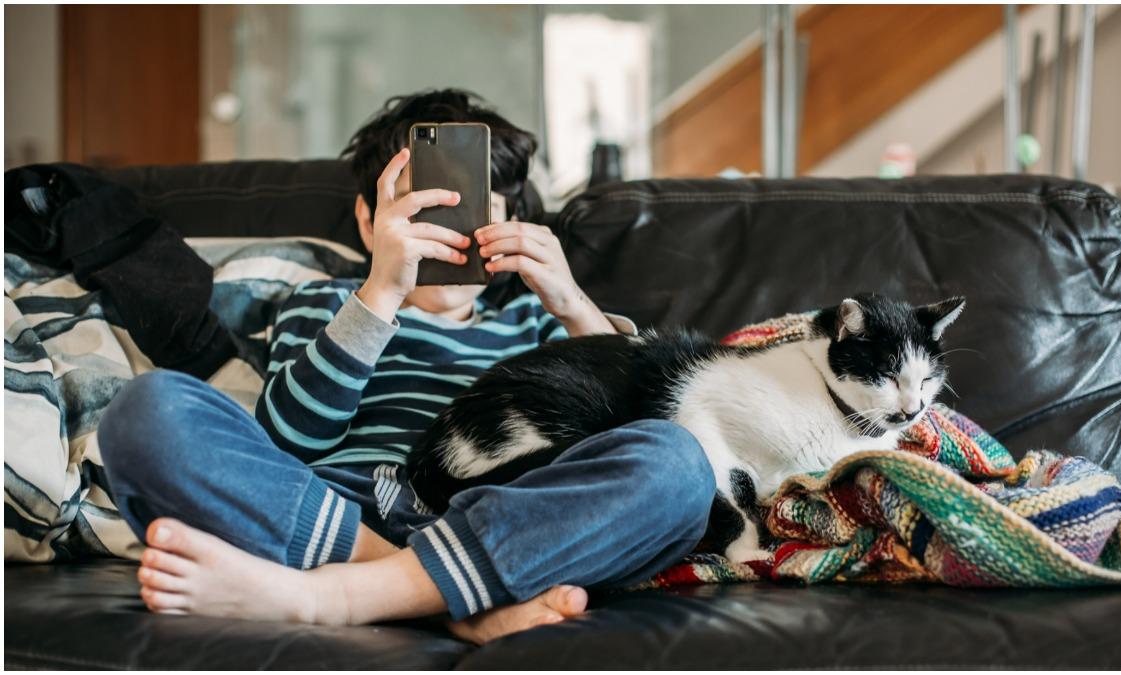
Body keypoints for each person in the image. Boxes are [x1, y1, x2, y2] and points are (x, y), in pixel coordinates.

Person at [97, 89, 715, 644]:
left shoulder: (537, 323)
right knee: (145, 412)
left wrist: (574, 307)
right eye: (421, 210)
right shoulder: (326, 303)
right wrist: (380, 293)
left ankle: (338, 595)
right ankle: (445, 601)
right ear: (370, 222)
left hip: (507, 514)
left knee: (680, 465)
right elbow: (287, 442)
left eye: (472, 210)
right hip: (339, 507)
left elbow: (633, 424)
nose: (448, 234)